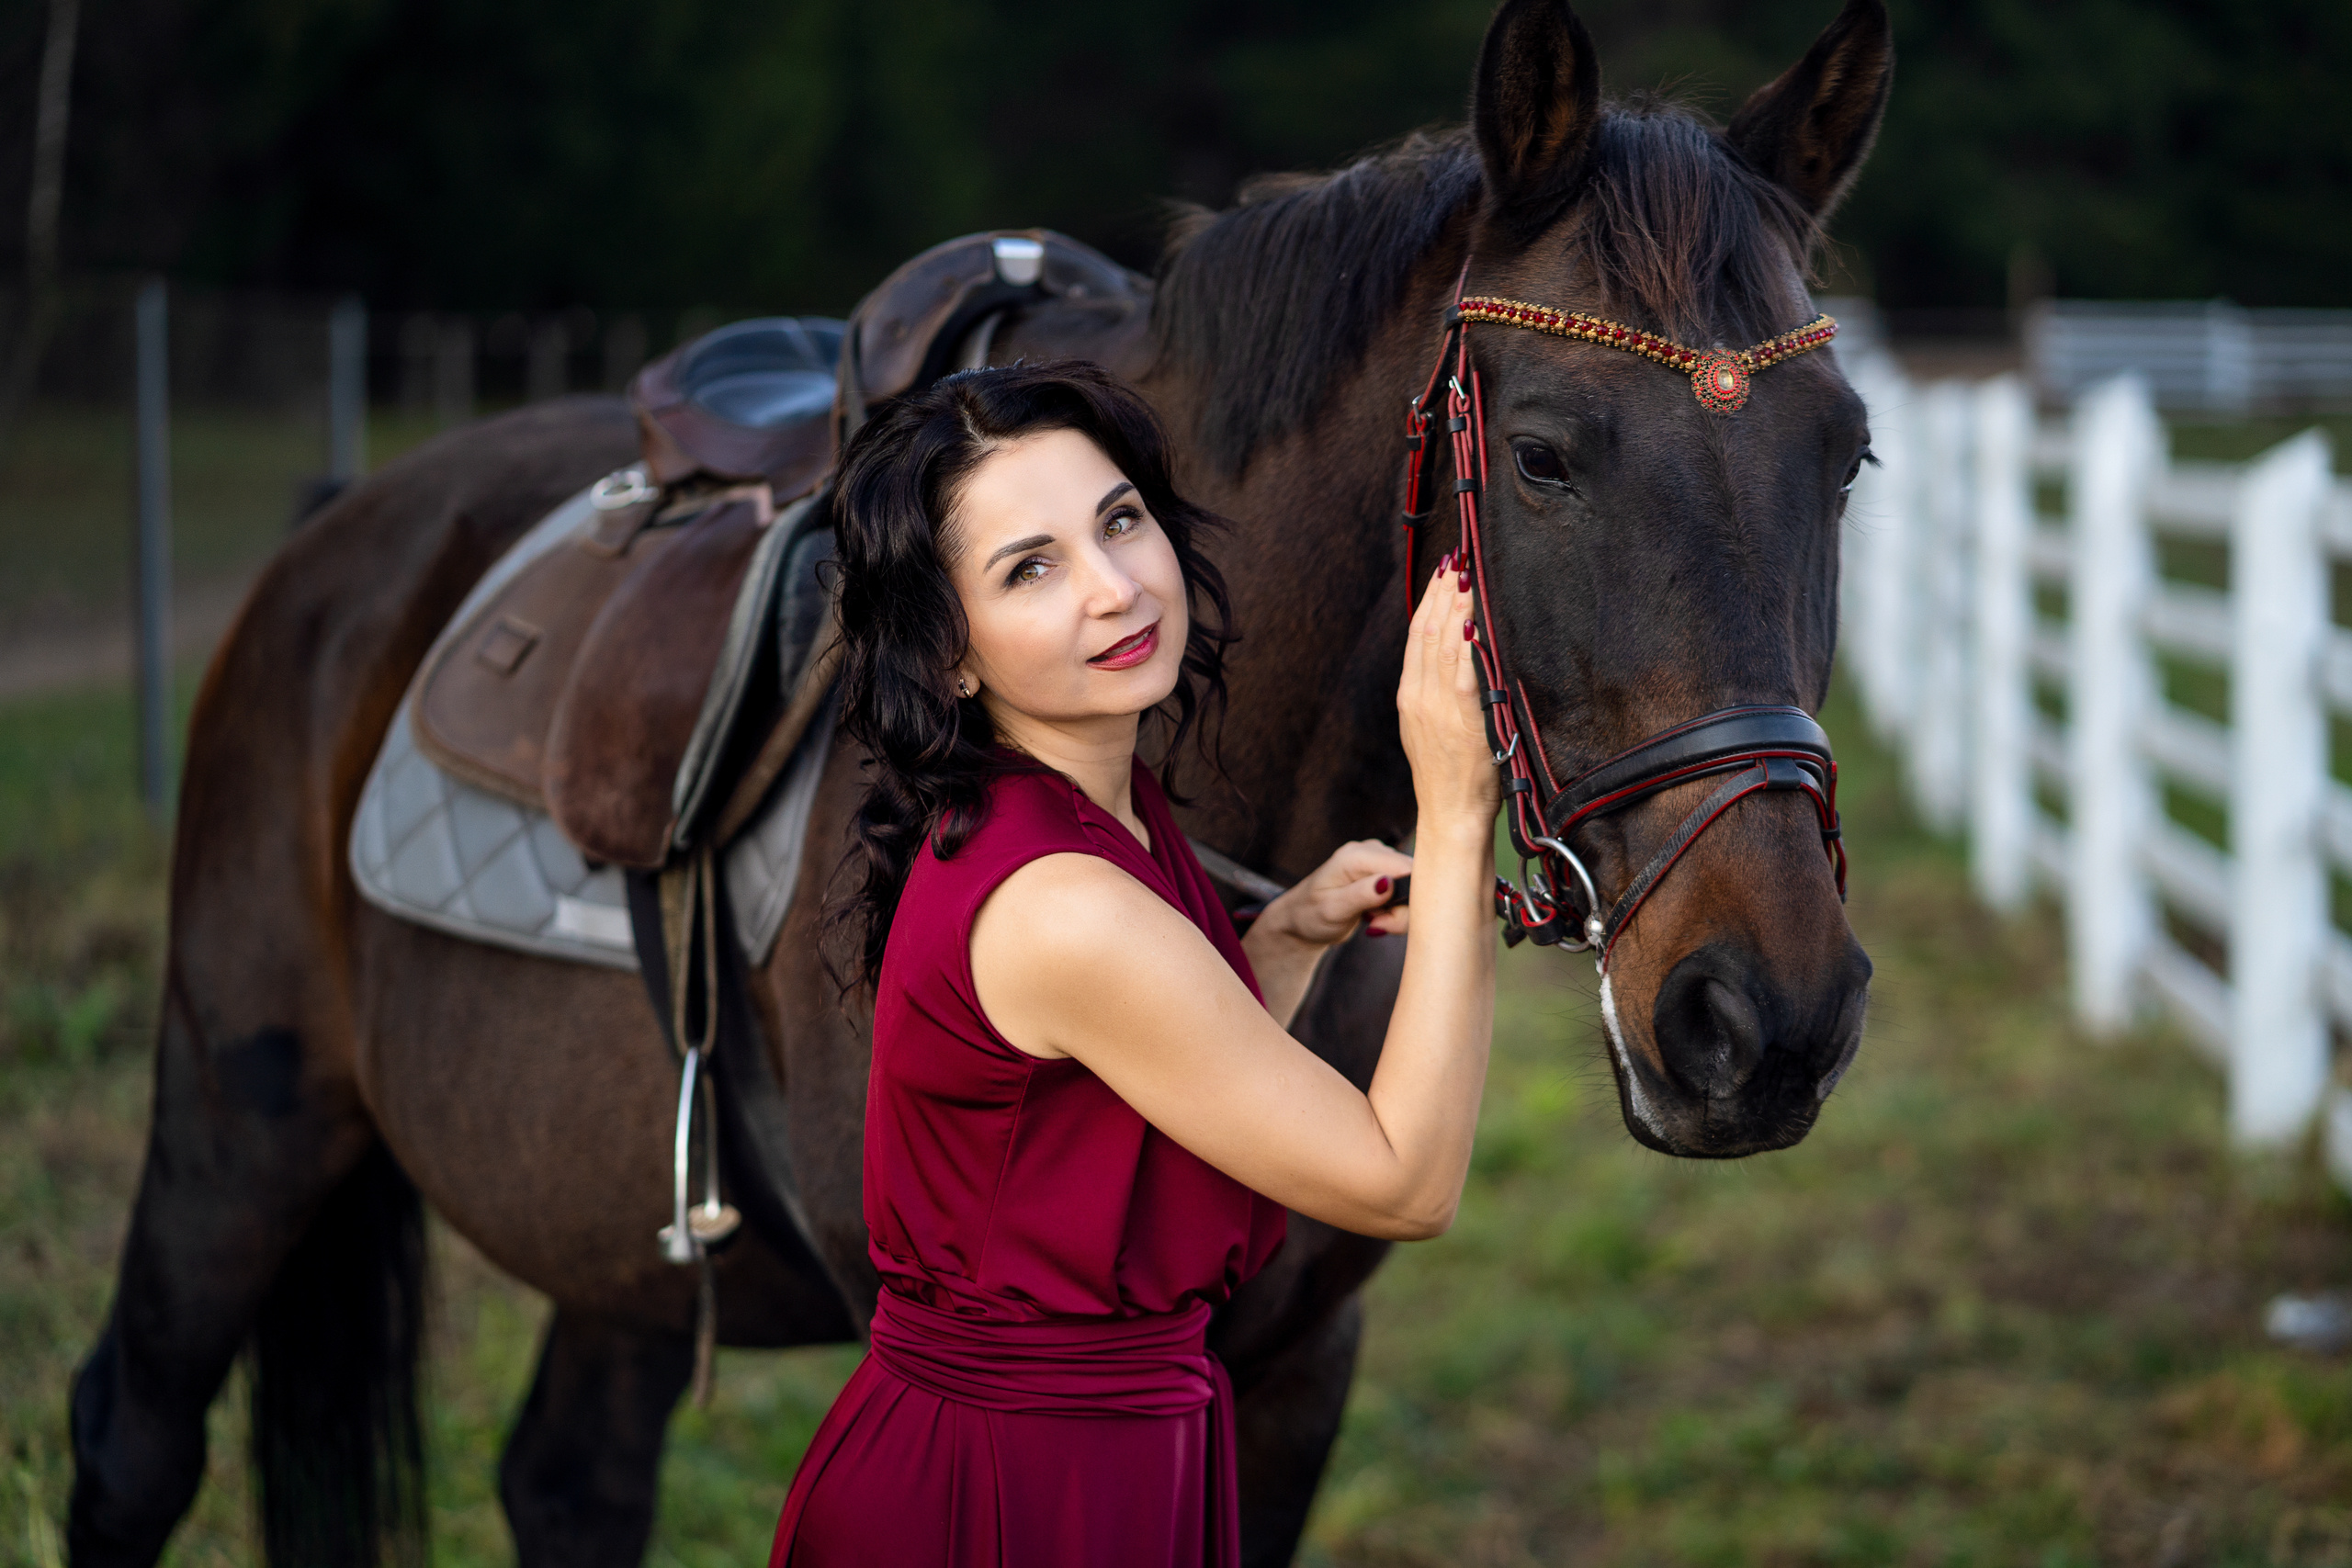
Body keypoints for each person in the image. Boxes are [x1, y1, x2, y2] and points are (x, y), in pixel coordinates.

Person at [770, 361, 1500, 1566]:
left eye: (1120, 521)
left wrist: (1275, 944)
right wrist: (1461, 811)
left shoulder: (1094, 811)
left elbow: (1120, 1115)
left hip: (1095, 1452)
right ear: (951, 655)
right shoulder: (1065, 907)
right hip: (1006, 1493)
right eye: (1030, 568)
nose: (1116, 589)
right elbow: (1402, 1186)